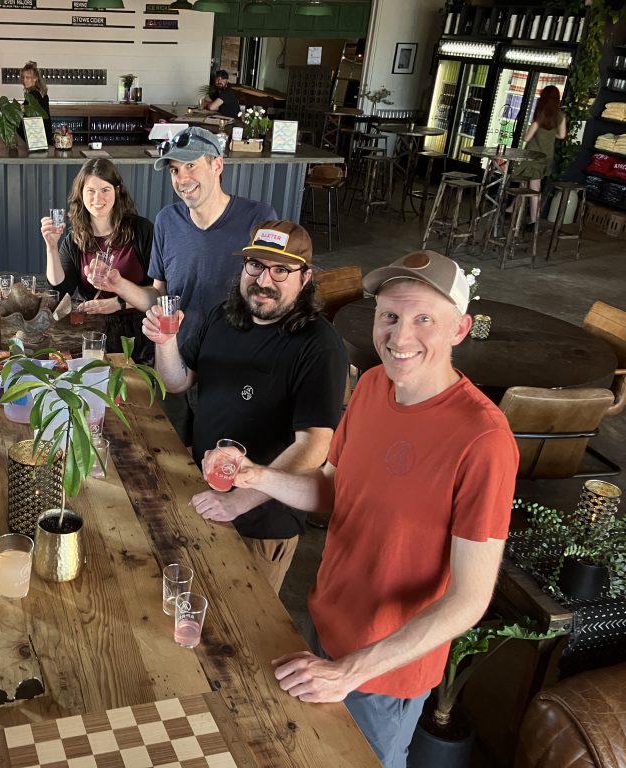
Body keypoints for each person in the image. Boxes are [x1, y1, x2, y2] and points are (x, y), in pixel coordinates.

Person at [218, 251, 518, 767]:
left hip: (385, 673)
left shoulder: (484, 439)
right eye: (390, 316)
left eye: (425, 318)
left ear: (460, 329)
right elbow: (332, 493)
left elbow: (469, 599)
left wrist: (351, 671)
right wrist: (256, 477)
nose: (400, 337)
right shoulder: (375, 386)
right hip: (325, 623)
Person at [142, 221, 348, 593]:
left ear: (305, 278)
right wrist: (166, 342)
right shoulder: (224, 316)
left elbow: (314, 446)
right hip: (203, 490)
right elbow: (177, 381)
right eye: (255, 265)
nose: (264, 280)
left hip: (261, 519)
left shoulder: (319, 347)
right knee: (189, 604)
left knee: (240, 628)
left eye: (281, 270)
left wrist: (240, 501)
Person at [93, 126, 277, 445]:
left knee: (217, 464)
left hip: (230, 372)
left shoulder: (258, 218)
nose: (182, 178)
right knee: (169, 456)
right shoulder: (167, 220)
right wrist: (120, 285)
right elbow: (160, 296)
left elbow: (273, 297)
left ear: (217, 165)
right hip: (174, 360)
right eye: (175, 170)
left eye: (191, 165)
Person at [41, 158, 154, 362]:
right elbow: (60, 288)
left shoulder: (141, 230)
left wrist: (120, 303)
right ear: (81, 194)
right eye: (90, 191)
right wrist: (51, 247)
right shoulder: (76, 239)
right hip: (94, 330)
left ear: (117, 191)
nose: (97, 198)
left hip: (139, 330)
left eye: (105, 190)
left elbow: (158, 293)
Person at [510, 85, 567, 223]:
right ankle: (511, 209)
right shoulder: (560, 117)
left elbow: (527, 138)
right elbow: (561, 135)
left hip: (532, 156)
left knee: (533, 187)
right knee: (526, 183)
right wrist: (550, 135)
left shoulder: (540, 115)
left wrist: (526, 133)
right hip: (547, 156)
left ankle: (534, 219)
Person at [20, 60, 53, 144]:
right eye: (23, 77)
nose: (24, 80)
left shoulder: (33, 95)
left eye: (28, 78)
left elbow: (27, 116)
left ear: (35, 78)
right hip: (45, 137)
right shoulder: (41, 92)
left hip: (37, 140)